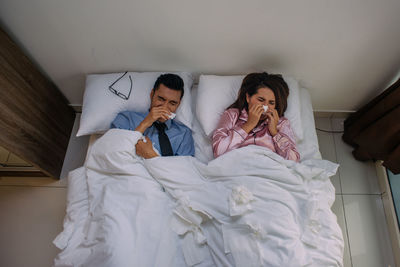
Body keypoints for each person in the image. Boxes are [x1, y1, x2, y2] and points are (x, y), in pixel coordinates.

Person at [212, 72, 300, 162]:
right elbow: (218, 152)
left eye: (271, 103)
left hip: (269, 171)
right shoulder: (232, 115)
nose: (265, 106)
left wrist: (274, 132)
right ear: (248, 98)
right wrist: (248, 125)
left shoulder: (281, 123)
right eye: (261, 100)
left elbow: (293, 160)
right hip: (237, 168)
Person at [111, 73, 194, 159]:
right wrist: (145, 123)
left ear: (178, 104)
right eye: (161, 99)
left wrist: (151, 156)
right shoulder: (126, 119)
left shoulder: (184, 134)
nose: (165, 107)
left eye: (172, 103)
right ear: (152, 94)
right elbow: (112, 153)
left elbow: (184, 170)